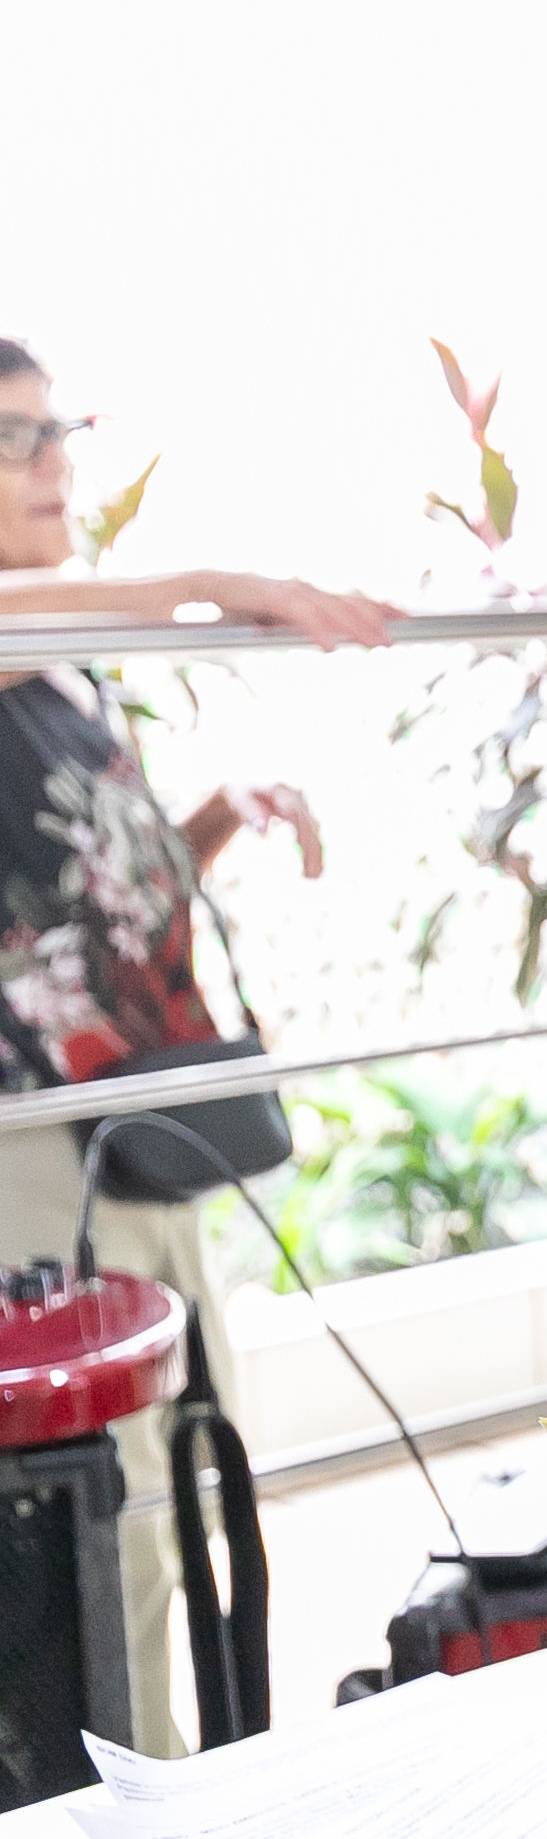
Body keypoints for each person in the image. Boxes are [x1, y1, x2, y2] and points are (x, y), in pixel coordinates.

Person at [0, 337, 388, 1754]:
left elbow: (90, 897)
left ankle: (174, 1793)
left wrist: (221, 815)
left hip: (136, 1126)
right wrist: (218, 583)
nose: (54, 463)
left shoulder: (63, 668)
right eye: (14, 438)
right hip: (37, 1156)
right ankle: (116, 1819)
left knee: (174, 1483)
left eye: (59, 430)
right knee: (105, 1530)